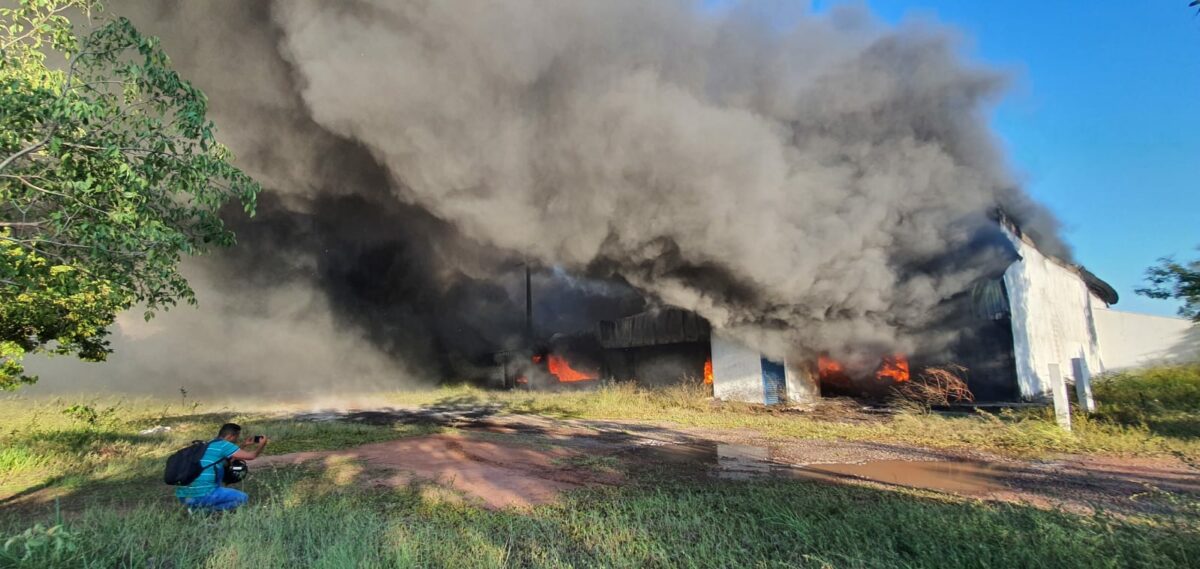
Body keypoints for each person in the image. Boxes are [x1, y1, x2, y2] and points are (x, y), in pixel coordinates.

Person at [175, 422, 269, 513]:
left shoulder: (208, 445)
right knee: (242, 498)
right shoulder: (224, 445)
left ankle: (195, 507)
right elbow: (251, 456)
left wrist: (244, 445)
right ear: (230, 436)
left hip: (184, 497)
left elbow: (230, 458)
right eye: (236, 438)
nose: (235, 441)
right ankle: (200, 511)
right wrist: (262, 444)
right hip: (203, 495)